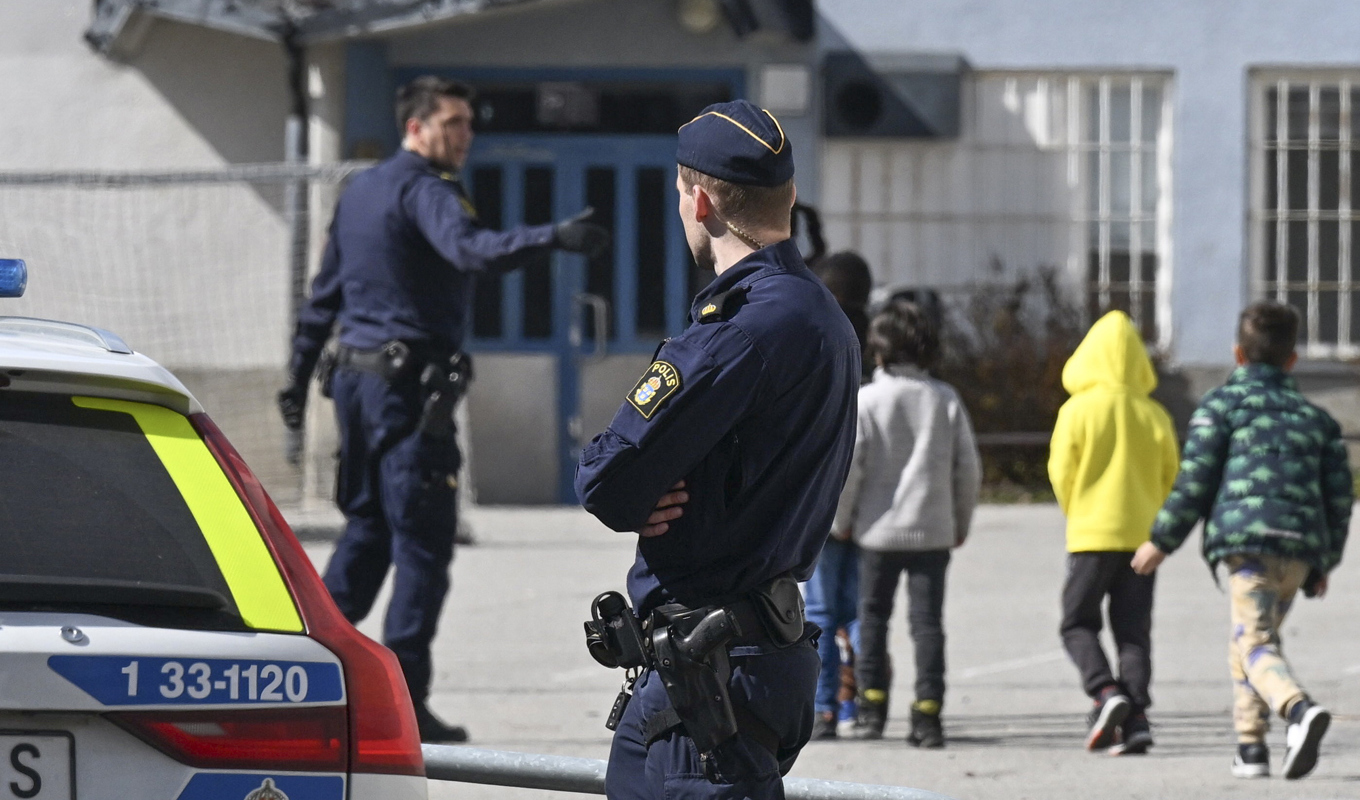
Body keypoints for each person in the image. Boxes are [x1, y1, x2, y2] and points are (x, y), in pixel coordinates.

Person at [277, 75, 608, 743]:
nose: (466, 135)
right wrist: (554, 238)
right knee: (422, 546)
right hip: (406, 397)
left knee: (367, 532)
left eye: (467, 123)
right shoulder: (428, 190)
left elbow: (325, 296)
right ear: (417, 128)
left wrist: (297, 375)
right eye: (452, 123)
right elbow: (471, 251)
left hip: (357, 387)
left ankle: (296, 679)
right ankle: (404, 706)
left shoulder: (360, 191)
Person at [575, 100, 860, 800]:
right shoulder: (821, 314)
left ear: (699, 202)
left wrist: (647, 483)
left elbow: (607, 480)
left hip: (711, 677)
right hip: (757, 657)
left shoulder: (739, 332)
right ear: (788, 197)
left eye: (679, 194)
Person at [1132, 301, 1352, 780]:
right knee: (1251, 640)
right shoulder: (1317, 421)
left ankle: (1297, 710)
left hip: (1248, 548)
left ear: (1237, 353)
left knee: (1254, 644)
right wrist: (1325, 563)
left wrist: (1160, 542)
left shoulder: (1222, 407)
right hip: (1299, 551)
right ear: (1292, 360)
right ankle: (1251, 748)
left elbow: (1195, 481)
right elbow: (1340, 498)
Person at [835, 299, 981, 747]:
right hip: (933, 529)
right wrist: (960, 521)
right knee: (928, 624)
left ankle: (873, 706)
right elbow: (967, 468)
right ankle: (928, 713)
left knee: (873, 618)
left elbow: (851, 468)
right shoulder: (944, 399)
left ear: (877, 351)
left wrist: (841, 520)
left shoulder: (867, 400)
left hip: (877, 532)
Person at [1047, 310, 1179, 755]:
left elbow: (1061, 471)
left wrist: (1078, 511)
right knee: (1133, 632)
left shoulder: (1077, 410)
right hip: (1142, 539)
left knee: (1076, 621)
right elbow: (1170, 475)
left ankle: (1105, 692)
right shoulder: (1155, 414)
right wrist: (1155, 522)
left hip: (1091, 534)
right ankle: (1137, 716)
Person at [804, 250, 874, 740]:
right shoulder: (876, 340)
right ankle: (862, 703)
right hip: (876, 514)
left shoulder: (823, 339)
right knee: (859, 610)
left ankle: (826, 706)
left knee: (822, 611)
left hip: (829, 505)